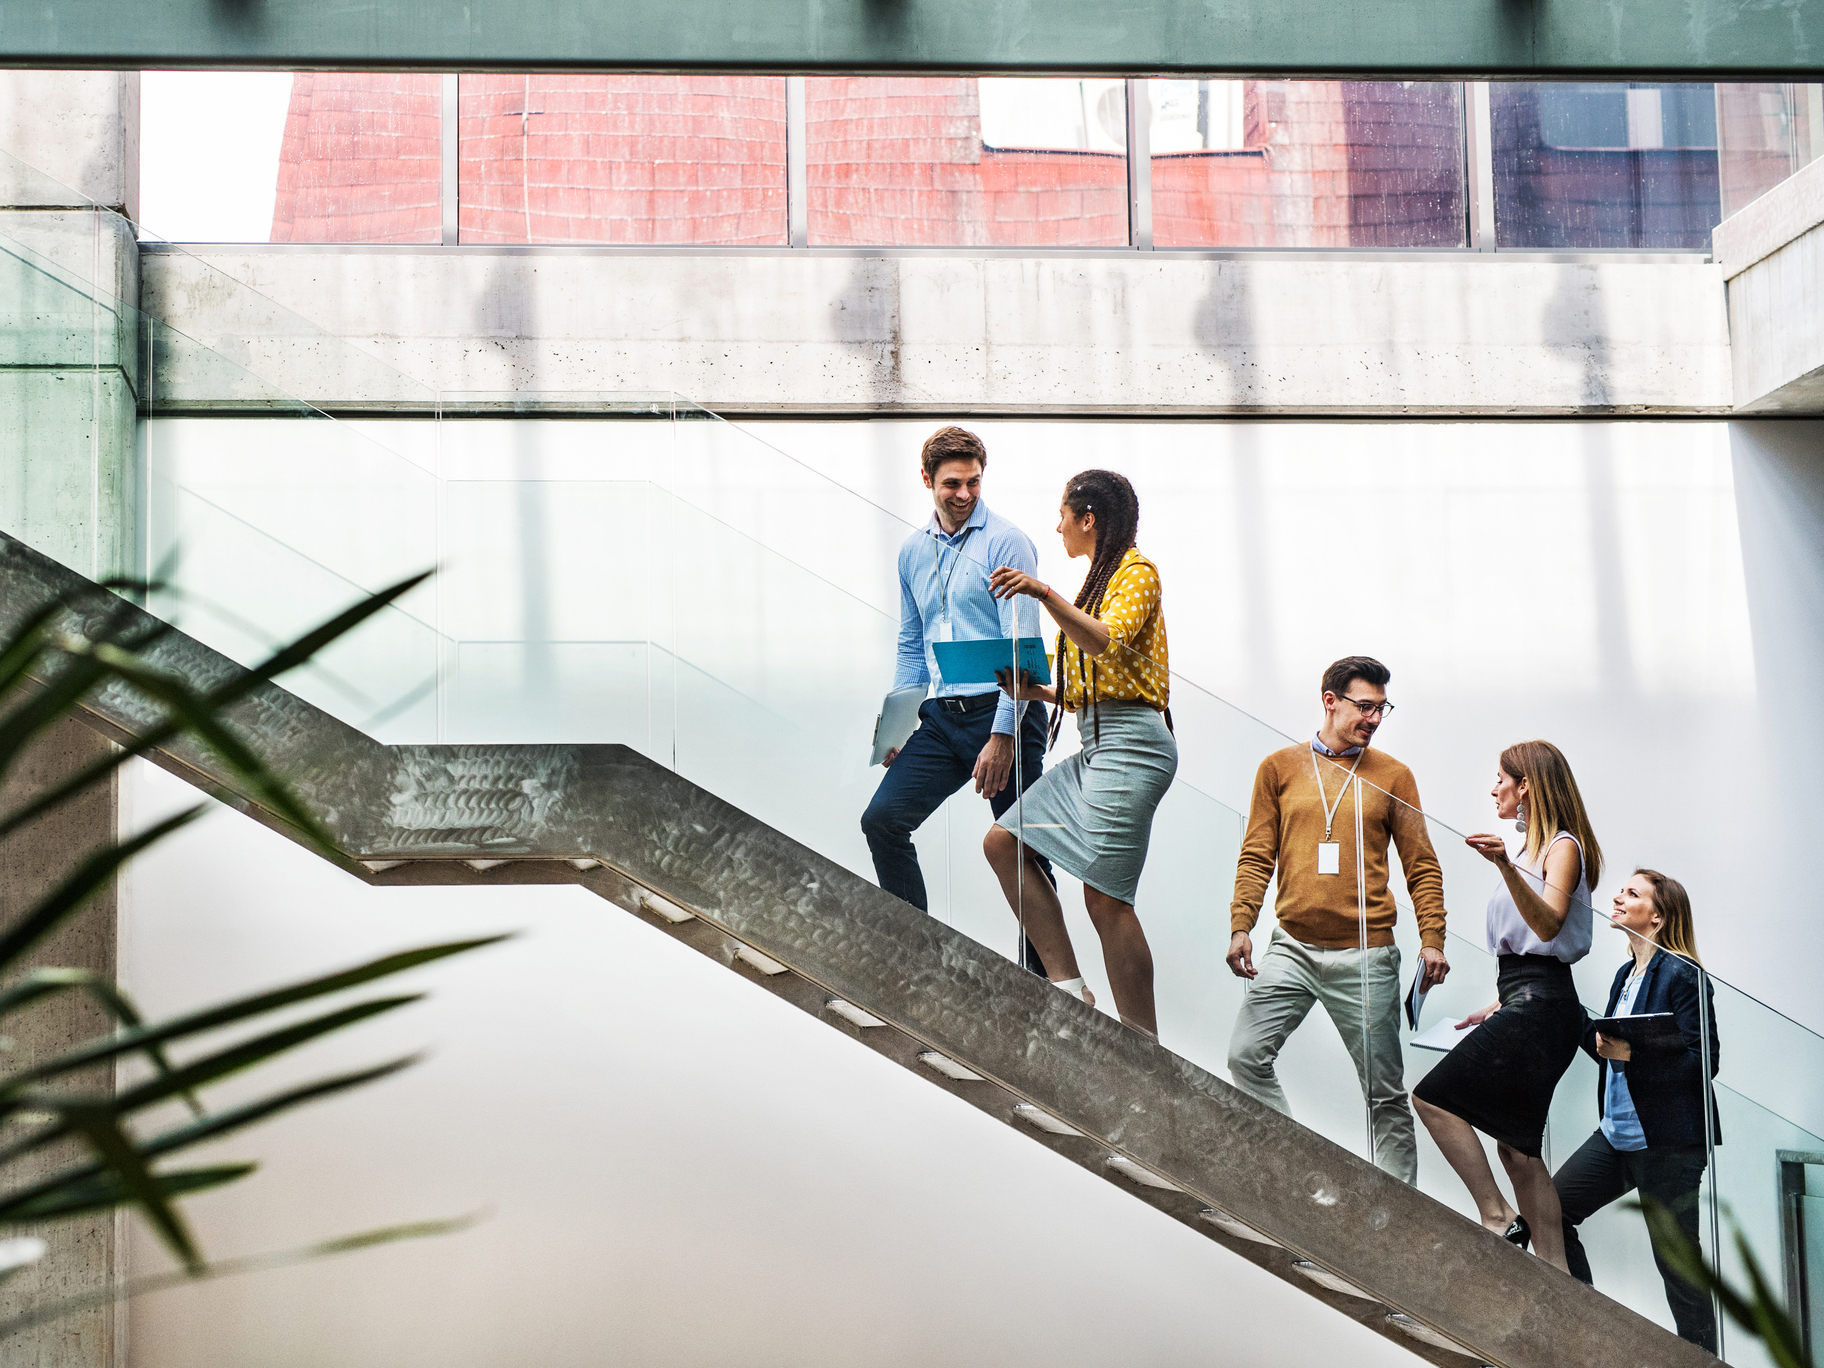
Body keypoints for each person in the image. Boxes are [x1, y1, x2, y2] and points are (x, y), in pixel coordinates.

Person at [1225, 657, 1449, 1185]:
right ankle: (1296, 1170)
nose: (1373, 719)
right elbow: (1257, 852)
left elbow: (1422, 865)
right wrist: (1242, 924)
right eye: (1364, 706)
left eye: (1381, 709)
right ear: (1330, 701)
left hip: (1367, 956)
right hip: (1292, 948)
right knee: (1244, 1057)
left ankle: (1400, 1215)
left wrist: (1432, 939)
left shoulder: (1393, 776)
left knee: (1384, 1094)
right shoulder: (1279, 767)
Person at [982, 469, 1177, 1039]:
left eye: (1063, 515)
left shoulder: (1137, 571)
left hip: (1134, 744)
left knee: (1106, 898)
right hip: (1097, 742)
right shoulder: (1101, 576)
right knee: (1004, 842)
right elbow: (1100, 678)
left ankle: (1143, 1045)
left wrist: (1043, 592)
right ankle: (1068, 989)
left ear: (1087, 519)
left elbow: (1105, 641)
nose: (1058, 526)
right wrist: (1037, 691)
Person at [859, 427, 1055, 967]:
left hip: (1004, 711)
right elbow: (910, 641)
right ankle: (915, 954)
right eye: (951, 483)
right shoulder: (912, 552)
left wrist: (1004, 733)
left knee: (1025, 850)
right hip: (941, 720)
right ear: (927, 481)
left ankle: (1043, 985)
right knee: (882, 821)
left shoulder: (1006, 542)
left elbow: (1022, 644)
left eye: (973, 482)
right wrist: (897, 731)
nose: (964, 493)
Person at [1412, 741, 1602, 1273]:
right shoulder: (1529, 852)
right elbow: (1528, 955)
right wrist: (1496, 1004)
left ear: (1527, 787)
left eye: (1501, 778)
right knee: (1518, 1150)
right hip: (1528, 998)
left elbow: (1547, 927)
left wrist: (1503, 867)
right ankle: (1558, 1277)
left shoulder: (1561, 847)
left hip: (1544, 1008)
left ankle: (1497, 1217)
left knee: (1431, 1098)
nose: (1493, 788)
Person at [1552, 869, 1720, 1351]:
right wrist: (1551, 1002)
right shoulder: (1626, 974)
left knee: (1679, 1268)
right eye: (1621, 890)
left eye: (1632, 893)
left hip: (1668, 1143)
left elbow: (1705, 1060)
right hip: (1617, 1134)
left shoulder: (1683, 973)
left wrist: (1634, 1054)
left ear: (1659, 916)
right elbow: (1610, 1048)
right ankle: (1588, 1328)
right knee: (1551, 1211)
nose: (1619, 898)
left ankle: (1702, 1361)